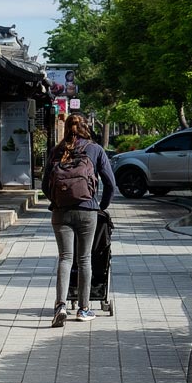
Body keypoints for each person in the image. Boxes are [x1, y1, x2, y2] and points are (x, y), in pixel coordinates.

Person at [42, 114, 116, 326]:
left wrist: (57, 201)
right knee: (84, 259)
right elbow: (110, 183)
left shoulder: (57, 150)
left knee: (65, 258)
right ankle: (84, 309)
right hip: (87, 211)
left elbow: (45, 186)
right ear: (86, 128)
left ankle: (61, 305)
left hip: (60, 212)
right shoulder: (95, 150)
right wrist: (100, 206)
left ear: (66, 128)